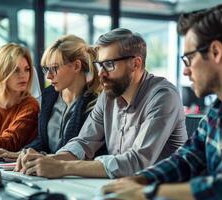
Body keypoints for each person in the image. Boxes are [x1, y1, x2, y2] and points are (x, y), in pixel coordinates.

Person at [102, 4, 222, 200]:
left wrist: (148, 192)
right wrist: (140, 180)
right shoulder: (221, 108)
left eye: (188, 58)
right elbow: (188, 158)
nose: (185, 71)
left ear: (216, 52)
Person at [15, 28, 187, 178]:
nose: (101, 74)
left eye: (109, 65)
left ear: (135, 63)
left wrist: (62, 167)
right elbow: (83, 142)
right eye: (99, 65)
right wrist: (47, 161)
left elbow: (137, 162)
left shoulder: (163, 96)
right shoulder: (108, 96)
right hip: (123, 189)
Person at [0, 34, 101, 160]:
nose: (48, 76)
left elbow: (79, 154)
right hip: (49, 173)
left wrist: (41, 158)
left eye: (54, 68)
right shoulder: (49, 96)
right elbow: (43, 142)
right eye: (46, 69)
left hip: (78, 176)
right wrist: (19, 154)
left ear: (76, 66)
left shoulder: (96, 103)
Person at [0, 43, 39, 152]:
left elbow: (11, 140)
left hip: (10, 166)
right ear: (2, 72)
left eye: (27, 69)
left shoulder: (30, 105)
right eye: (16, 70)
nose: (23, 75)